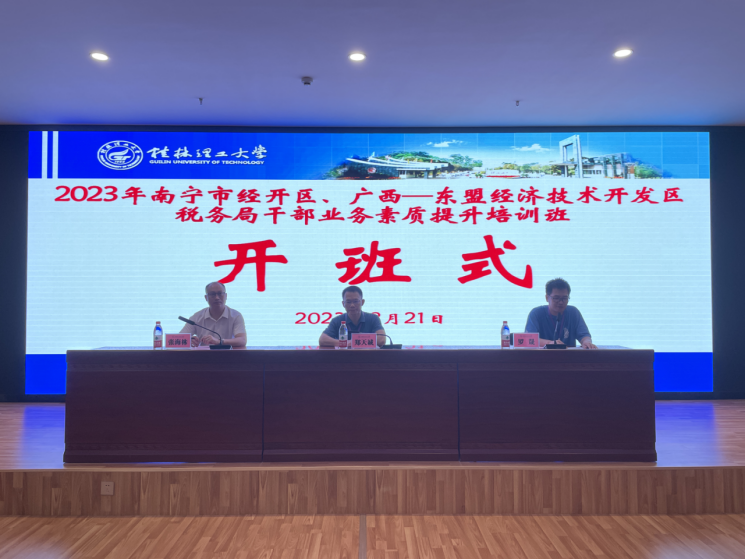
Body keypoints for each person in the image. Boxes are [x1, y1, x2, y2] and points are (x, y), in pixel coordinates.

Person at [525, 278, 598, 349]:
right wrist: (550, 343)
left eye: (564, 298)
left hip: (568, 356)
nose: (560, 302)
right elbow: (529, 339)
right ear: (547, 298)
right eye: (556, 298)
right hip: (542, 356)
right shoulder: (536, 314)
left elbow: (584, 335)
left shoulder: (573, 312)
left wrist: (587, 342)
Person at [180, 282, 247, 347]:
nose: (217, 297)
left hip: (227, 354)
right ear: (206, 297)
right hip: (203, 354)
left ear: (225, 296)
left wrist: (220, 341)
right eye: (212, 294)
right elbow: (179, 338)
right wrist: (189, 340)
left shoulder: (235, 315)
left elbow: (242, 340)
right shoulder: (196, 317)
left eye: (220, 293)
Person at [319, 286, 387, 347]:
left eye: (355, 301)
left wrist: (354, 342)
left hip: (367, 356)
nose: (352, 305)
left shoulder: (373, 318)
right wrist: (345, 343)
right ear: (343, 304)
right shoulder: (337, 320)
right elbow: (322, 340)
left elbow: (381, 340)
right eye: (348, 302)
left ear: (362, 302)